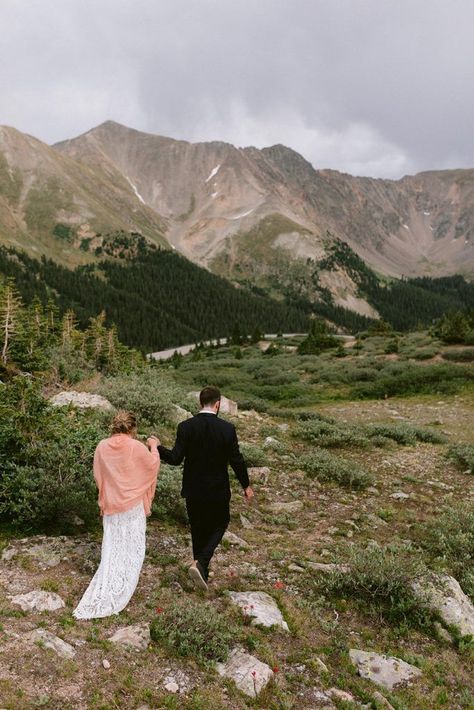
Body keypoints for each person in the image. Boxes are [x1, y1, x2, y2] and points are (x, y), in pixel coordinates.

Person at [157, 385, 253, 591]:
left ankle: (200, 571)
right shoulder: (227, 429)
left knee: (198, 530)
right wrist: (246, 485)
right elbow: (237, 460)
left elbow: (174, 458)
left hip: (193, 489)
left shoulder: (186, 426)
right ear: (217, 404)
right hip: (217, 490)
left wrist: (157, 447)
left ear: (200, 403)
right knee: (221, 523)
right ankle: (201, 563)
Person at [73, 411, 160, 619]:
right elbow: (152, 466)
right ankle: (121, 586)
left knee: (113, 548)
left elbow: (98, 475)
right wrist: (154, 446)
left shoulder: (102, 446)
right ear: (132, 428)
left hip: (112, 504)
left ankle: (112, 581)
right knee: (132, 548)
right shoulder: (136, 446)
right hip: (132, 505)